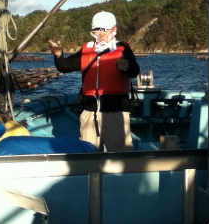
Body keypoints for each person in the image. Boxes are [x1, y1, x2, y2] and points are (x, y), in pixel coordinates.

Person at [47, 11, 140, 152]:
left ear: (114, 29)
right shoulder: (86, 49)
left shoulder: (123, 49)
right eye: (98, 29)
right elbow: (65, 66)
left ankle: (122, 174)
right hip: (89, 111)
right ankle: (92, 174)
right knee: (88, 153)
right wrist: (59, 55)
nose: (101, 33)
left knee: (121, 155)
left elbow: (134, 71)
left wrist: (124, 67)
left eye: (105, 29)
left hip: (115, 111)